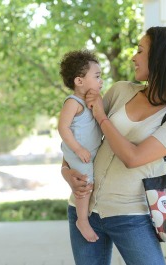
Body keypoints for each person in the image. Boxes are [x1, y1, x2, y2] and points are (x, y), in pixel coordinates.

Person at [61, 26, 166, 265]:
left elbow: (134, 157)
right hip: (82, 209)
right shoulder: (121, 90)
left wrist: (102, 117)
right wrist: (66, 171)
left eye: (140, 51)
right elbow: (80, 133)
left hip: (131, 216)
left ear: (161, 57)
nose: (133, 57)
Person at [58, 50, 103, 242]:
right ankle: (82, 220)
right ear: (79, 81)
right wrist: (77, 149)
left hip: (87, 152)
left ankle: (84, 217)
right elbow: (63, 127)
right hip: (79, 151)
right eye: (97, 76)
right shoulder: (73, 102)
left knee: (88, 182)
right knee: (85, 183)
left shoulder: (92, 102)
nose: (101, 81)